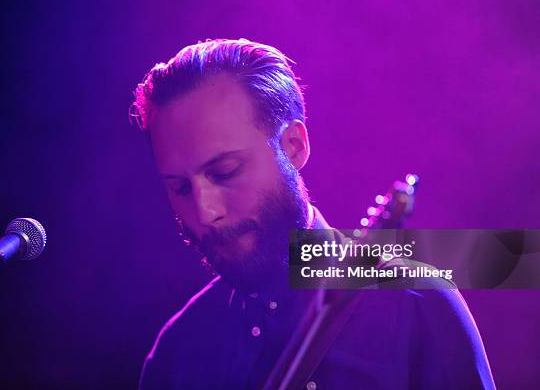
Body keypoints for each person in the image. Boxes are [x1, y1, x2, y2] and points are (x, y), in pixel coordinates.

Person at [133, 38, 495, 389]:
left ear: (293, 146)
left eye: (225, 171)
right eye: (180, 187)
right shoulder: (175, 357)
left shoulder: (418, 306)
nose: (205, 211)